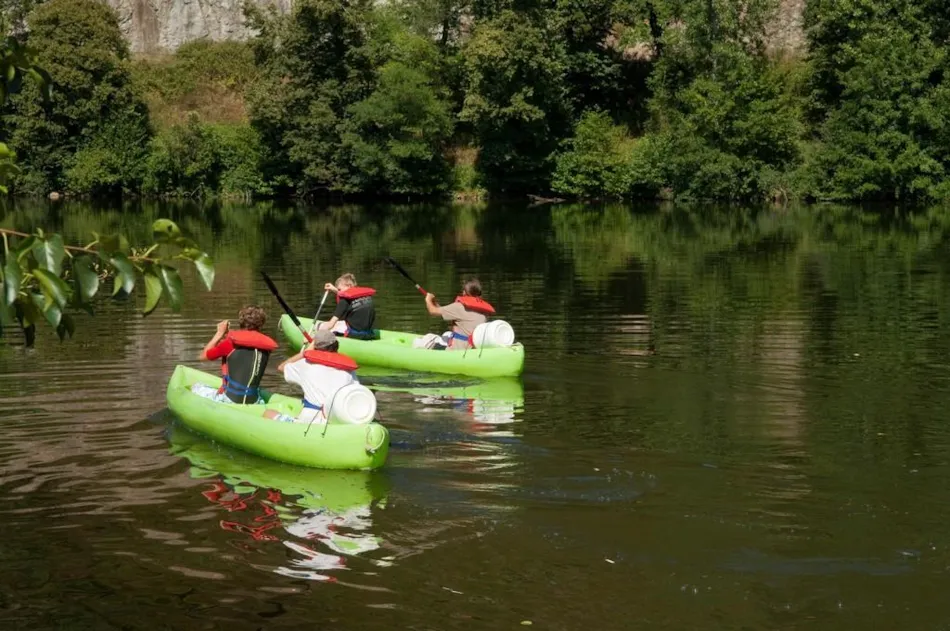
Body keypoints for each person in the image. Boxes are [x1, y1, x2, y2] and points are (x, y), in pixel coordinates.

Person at [265, 329, 361, 424]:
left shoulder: (305, 364)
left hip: (309, 421)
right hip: (337, 419)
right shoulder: (349, 369)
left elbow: (281, 367)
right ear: (336, 346)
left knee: (268, 413)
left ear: (315, 347)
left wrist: (304, 353)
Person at [194, 305, 278, 404]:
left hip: (229, 400)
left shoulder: (230, 343)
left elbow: (203, 356)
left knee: (196, 387)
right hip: (254, 401)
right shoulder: (266, 347)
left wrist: (219, 333)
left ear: (241, 321)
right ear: (261, 323)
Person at [422, 277, 495, 350]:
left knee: (422, 341)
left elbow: (433, 311)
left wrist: (428, 299)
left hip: (457, 350)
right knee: (446, 334)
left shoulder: (459, 307)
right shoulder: (483, 310)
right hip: (474, 349)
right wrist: (434, 302)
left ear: (464, 292)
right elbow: (445, 311)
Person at [318, 273, 377, 340]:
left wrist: (317, 335)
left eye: (339, 289)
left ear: (348, 286)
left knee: (322, 326)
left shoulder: (344, 301)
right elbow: (347, 295)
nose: (339, 292)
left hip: (355, 336)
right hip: (370, 333)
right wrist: (334, 289)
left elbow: (330, 325)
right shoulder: (366, 296)